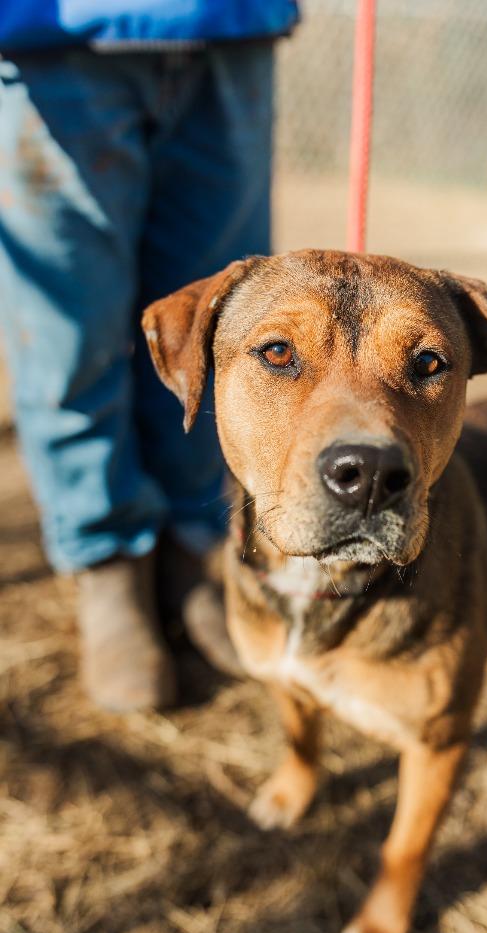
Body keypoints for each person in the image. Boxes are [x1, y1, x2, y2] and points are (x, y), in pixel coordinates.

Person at [0, 1, 298, 711]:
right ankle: (108, 558)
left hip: (233, 24)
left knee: (214, 327)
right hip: (54, 30)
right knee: (73, 332)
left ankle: (195, 543)